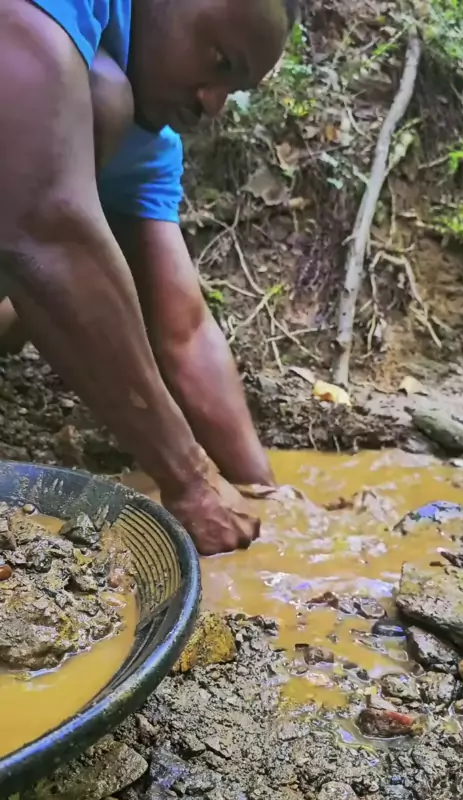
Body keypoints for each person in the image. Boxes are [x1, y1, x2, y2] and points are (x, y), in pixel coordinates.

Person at [0, 0, 298, 555]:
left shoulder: (151, 143)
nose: (212, 103)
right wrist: (190, 479)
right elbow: (48, 229)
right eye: (220, 61)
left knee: (104, 100)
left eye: (233, 89)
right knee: (99, 94)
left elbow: (184, 332)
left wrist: (265, 496)